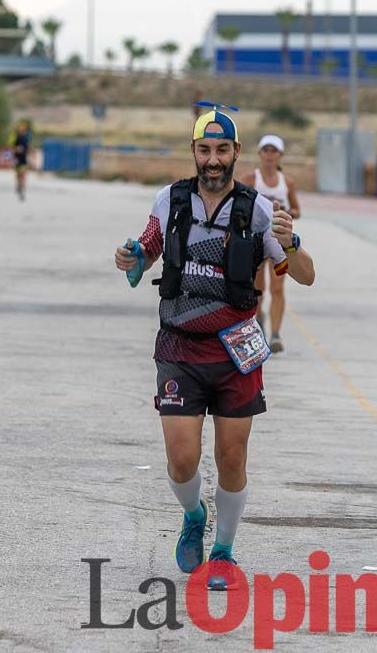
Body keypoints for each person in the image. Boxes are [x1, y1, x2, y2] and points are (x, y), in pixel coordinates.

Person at [114, 102, 316, 591]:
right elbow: (147, 249)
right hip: (179, 347)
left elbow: (305, 275)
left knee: (232, 457)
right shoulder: (171, 200)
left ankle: (223, 550)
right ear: (193, 152)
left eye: (222, 150)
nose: (212, 160)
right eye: (204, 150)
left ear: (236, 152)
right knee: (181, 459)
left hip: (236, 352)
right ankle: (193, 515)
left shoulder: (259, 211)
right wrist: (131, 257)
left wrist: (290, 245)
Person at [239, 134, 301, 353]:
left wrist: (286, 212)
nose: (269, 155)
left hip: (279, 243)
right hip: (256, 242)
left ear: (280, 155)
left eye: (273, 151)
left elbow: (297, 210)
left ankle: (275, 334)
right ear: (259, 154)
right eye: (265, 150)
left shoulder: (287, 183)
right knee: (257, 289)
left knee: (277, 288)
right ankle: (258, 323)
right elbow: (238, 204)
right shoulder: (250, 179)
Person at [12, 120, 31, 200]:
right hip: (17, 159)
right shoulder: (16, 138)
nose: (21, 132)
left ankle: (22, 189)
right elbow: (12, 148)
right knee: (18, 175)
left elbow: (27, 149)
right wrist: (16, 149)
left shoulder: (26, 139)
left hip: (23, 159)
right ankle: (19, 186)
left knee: (22, 175)